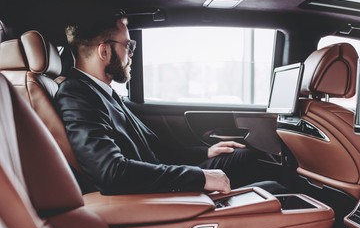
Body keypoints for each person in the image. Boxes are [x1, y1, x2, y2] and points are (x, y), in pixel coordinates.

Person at [55, 10, 283, 195]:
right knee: (275, 191)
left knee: (243, 156)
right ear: (104, 51)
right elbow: (111, 172)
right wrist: (201, 178)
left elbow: (154, 149)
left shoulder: (102, 92)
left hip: (156, 176)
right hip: (152, 195)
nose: (131, 54)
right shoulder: (77, 94)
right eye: (128, 46)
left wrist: (205, 153)